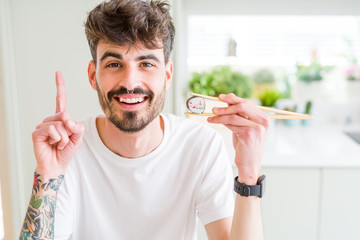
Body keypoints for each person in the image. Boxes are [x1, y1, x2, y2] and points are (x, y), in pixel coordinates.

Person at [19, 0, 269, 239]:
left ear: (167, 75)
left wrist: (249, 175)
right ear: (93, 75)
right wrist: (49, 176)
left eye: (147, 63)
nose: (130, 82)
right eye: (114, 64)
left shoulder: (200, 145)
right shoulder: (69, 151)